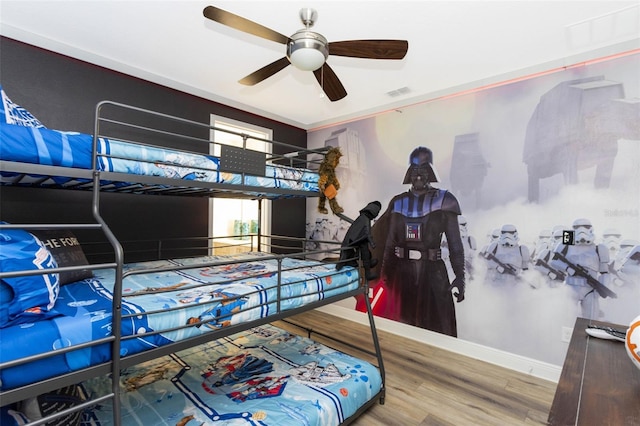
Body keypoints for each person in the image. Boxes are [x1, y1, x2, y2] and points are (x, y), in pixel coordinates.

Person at [372, 146, 465, 337]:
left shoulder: (445, 200)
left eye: (423, 171)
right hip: (401, 272)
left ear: (430, 172)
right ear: (409, 174)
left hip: (432, 273)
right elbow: (389, 243)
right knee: (401, 327)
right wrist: (385, 276)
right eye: (415, 171)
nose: (419, 176)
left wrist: (460, 276)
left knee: (437, 328)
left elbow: (455, 244)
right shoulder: (398, 202)